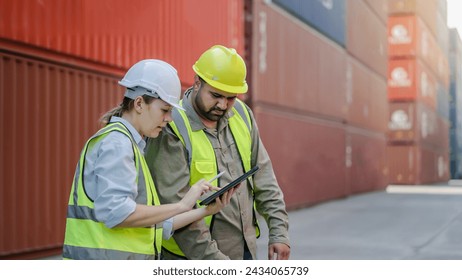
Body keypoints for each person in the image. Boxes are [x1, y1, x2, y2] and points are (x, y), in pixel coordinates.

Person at [62, 59, 235, 260]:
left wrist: (205, 211)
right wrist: (181, 205)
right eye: (164, 110)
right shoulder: (118, 144)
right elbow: (117, 214)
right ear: (139, 104)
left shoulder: (131, 145)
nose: (169, 118)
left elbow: (156, 226)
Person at [145, 45, 290, 260]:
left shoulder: (241, 113)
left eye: (231, 97)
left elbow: (263, 176)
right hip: (193, 259)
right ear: (196, 83)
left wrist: (279, 232)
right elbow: (176, 210)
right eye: (216, 95)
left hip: (244, 251)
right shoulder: (172, 127)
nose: (223, 105)